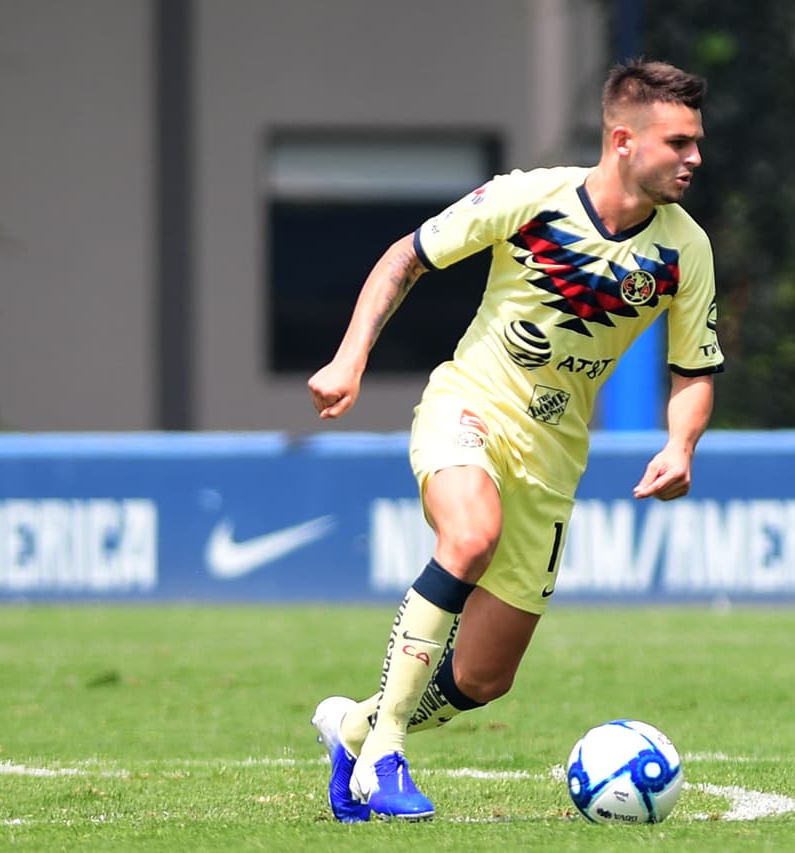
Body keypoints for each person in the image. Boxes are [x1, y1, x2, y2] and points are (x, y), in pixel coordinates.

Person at [305, 58, 724, 823]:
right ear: (625, 140)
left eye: (698, 142)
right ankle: (386, 753)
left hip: (553, 460)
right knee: (469, 536)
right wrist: (350, 355)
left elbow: (693, 367)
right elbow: (408, 255)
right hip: (469, 407)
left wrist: (681, 444)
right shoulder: (529, 196)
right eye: (680, 142)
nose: (695, 158)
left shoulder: (683, 249)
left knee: (483, 677)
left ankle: (355, 728)